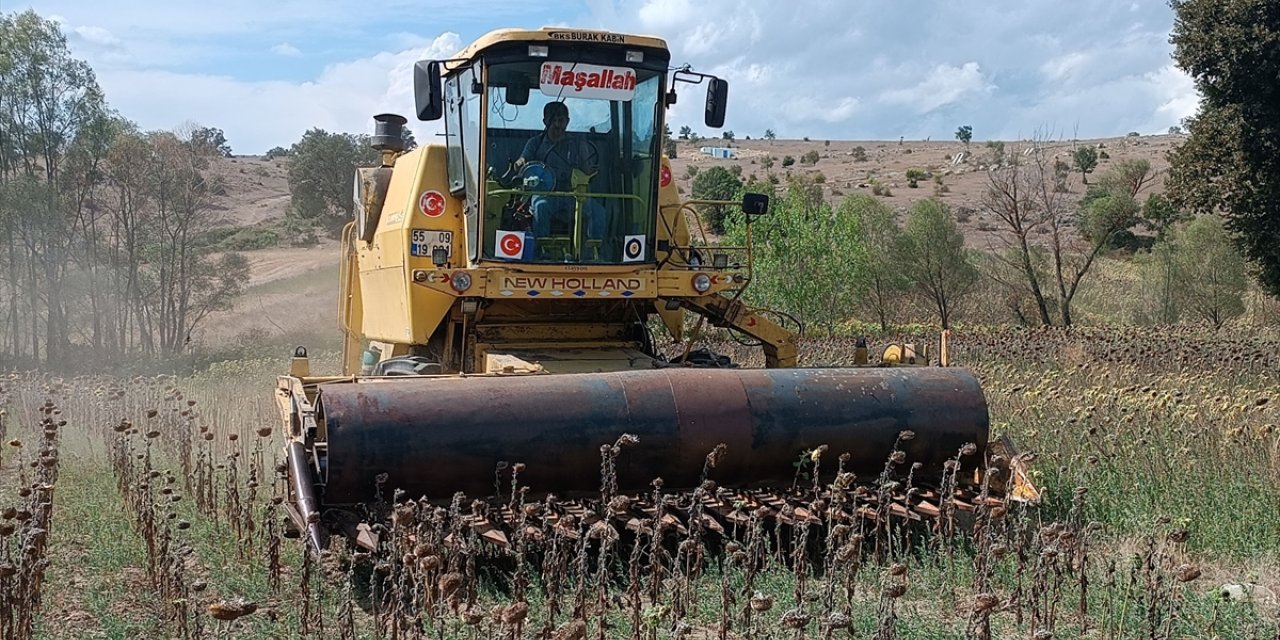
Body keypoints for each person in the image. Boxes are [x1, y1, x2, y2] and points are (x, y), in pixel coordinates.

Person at [516, 101, 605, 243]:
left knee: (598, 212)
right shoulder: (535, 143)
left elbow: (587, 168)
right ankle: (541, 252)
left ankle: (593, 252)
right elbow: (523, 160)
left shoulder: (578, 144)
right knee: (540, 207)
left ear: (567, 122)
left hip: (574, 195)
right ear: (545, 121)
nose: (557, 124)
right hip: (546, 194)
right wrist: (520, 163)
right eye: (553, 120)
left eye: (561, 120)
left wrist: (589, 172)